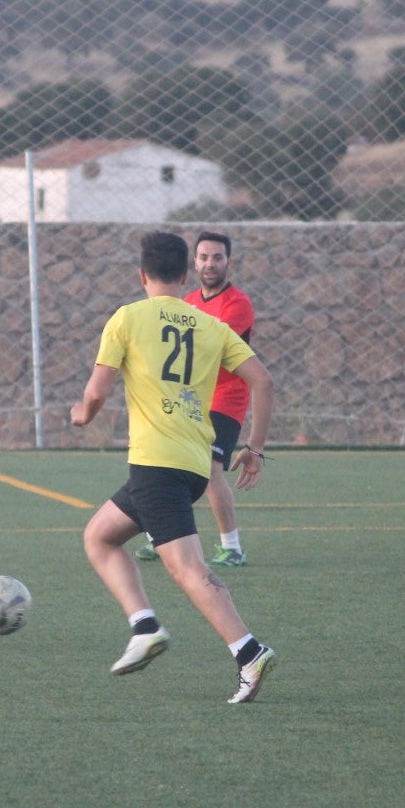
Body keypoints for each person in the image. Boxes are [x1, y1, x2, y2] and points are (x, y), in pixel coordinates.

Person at [70, 231, 276, 704]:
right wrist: (255, 448)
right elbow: (263, 382)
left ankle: (249, 651)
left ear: (142, 275)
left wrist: (83, 414)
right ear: (185, 275)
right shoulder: (210, 325)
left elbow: (97, 392)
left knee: (187, 570)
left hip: (156, 464)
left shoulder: (126, 318)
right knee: (100, 536)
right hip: (192, 465)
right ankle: (144, 626)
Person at [136, 231, 255, 566]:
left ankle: (232, 547)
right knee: (164, 459)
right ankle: (158, 537)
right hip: (191, 397)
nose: (210, 264)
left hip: (226, 398)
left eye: (217, 257)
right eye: (203, 257)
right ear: (194, 263)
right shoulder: (186, 302)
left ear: (228, 261)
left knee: (210, 467)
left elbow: (208, 349)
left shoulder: (237, 304)